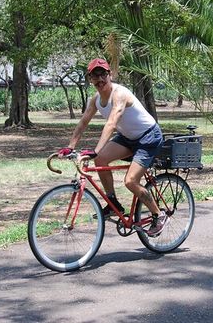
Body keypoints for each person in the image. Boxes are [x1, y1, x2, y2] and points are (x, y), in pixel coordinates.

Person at [58, 58, 167, 237]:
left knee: (130, 181)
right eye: (95, 75)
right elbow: (83, 122)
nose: (100, 79)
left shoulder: (120, 94)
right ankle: (113, 203)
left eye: (103, 74)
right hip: (128, 137)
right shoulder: (96, 100)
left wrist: (95, 150)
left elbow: (111, 123)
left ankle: (158, 214)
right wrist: (70, 147)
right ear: (90, 78)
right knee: (101, 160)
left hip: (149, 137)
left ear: (110, 75)